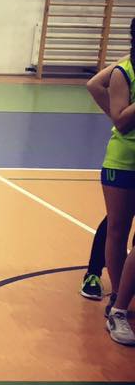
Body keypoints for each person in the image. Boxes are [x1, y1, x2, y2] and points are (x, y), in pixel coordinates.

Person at [84, 43, 135, 310]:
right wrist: (119, 116)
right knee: (117, 225)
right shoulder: (126, 68)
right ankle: (107, 283)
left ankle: (123, 291)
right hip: (124, 161)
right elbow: (95, 85)